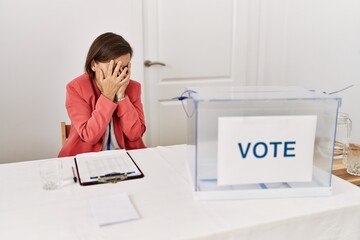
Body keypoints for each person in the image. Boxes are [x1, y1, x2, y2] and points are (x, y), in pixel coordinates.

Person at [58, 32, 146, 157]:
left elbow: (135, 134)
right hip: (86, 158)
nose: (119, 72)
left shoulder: (133, 88)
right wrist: (108, 95)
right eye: (114, 66)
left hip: (125, 158)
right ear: (94, 65)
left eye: (125, 66)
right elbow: (90, 136)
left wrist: (121, 96)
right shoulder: (76, 88)